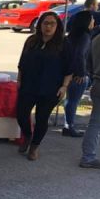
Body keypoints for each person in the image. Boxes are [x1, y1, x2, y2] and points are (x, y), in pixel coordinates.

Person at [16, 11, 72, 161]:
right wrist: (19, 80)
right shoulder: (31, 41)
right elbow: (22, 63)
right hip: (29, 85)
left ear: (57, 26)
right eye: (45, 23)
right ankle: (27, 135)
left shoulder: (63, 43)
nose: (48, 27)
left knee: (42, 118)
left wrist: (64, 86)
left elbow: (69, 68)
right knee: (21, 114)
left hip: (50, 88)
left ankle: (34, 146)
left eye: (52, 24)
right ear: (40, 25)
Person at [63, 10, 94, 137]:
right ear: (87, 22)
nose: (93, 21)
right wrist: (81, 73)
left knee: (69, 100)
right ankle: (70, 126)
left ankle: (67, 125)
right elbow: (80, 55)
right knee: (73, 101)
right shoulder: (85, 37)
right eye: (92, 19)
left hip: (69, 73)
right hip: (78, 75)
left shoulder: (72, 35)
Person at [80, 32, 100, 169]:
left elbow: (87, 62)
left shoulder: (98, 37)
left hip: (98, 82)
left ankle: (88, 156)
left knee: (95, 123)